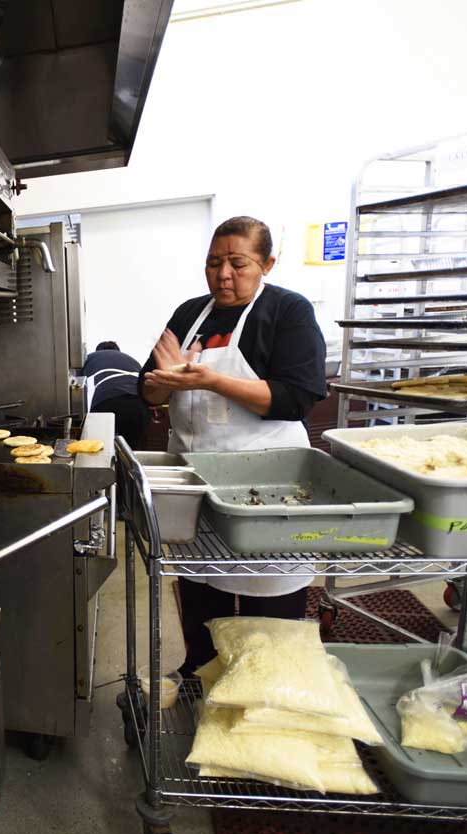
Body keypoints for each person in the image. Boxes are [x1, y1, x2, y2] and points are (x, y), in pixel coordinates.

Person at [140, 216, 327, 675]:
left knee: (271, 617)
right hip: (196, 486)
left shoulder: (288, 312)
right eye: (213, 263)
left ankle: (267, 693)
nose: (223, 274)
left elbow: (296, 396)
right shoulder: (189, 314)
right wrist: (167, 382)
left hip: (268, 488)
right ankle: (201, 679)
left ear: (267, 263)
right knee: (202, 593)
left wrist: (212, 380)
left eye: (238, 263)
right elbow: (148, 391)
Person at [83, 340, 149, 449]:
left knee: (100, 448)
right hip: (139, 404)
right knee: (130, 453)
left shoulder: (91, 357)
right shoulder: (132, 360)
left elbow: (75, 383)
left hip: (107, 401)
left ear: (98, 350)